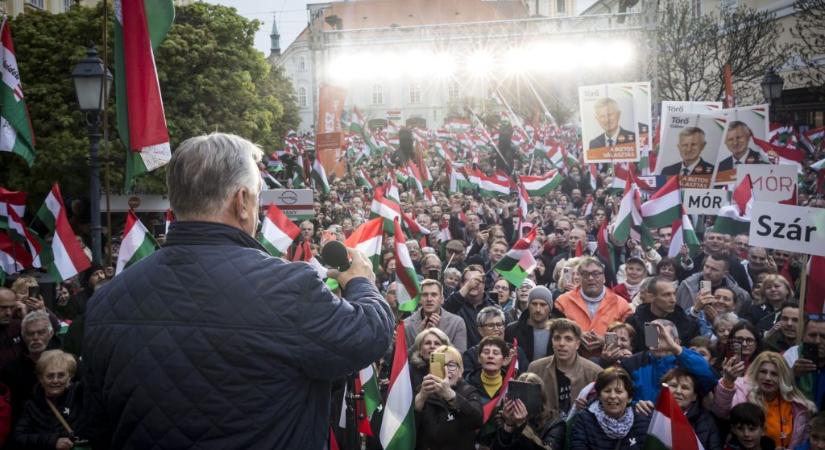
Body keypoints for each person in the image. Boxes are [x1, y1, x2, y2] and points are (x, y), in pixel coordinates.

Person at [82, 133, 395, 449]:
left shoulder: (107, 302)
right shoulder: (287, 287)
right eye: (259, 197)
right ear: (242, 201)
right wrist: (361, 282)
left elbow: (96, 429)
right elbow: (369, 335)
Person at [713, 351, 816, 450]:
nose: (768, 378)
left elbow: (802, 441)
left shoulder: (799, 406)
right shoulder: (742, 392)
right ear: (756, 373)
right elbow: (721, 412)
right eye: (763, 372)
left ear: (783, 377)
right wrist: (728, 382)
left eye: (774, 374)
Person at [622, 319, 716, 404]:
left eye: (662, 337)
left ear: (677, 342)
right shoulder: (632, 363)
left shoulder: (687, 361)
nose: (657, 342)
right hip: (643, 419)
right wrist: (635, 405)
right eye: (653, 336)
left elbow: (710, 378)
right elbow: (621, 396)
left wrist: (675, 348)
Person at [13, 350, 92, 449]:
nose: (55, 381)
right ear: (40, 378)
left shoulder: (80, 395)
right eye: (50, 376)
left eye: (61, 375)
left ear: (70, 377)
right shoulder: (32, 405)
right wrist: (52, 441)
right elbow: (19, 437)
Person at [527, 319, 602, 421]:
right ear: (552, 341)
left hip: (579, 430)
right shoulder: (535, 369)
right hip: (544, 431)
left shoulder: (595, 372)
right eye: (557, 338)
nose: (561, 343)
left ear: (577, 344)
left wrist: (588, 408)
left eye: (568, 339)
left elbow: (602, 411)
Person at [554, 257, 632, 355]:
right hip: (572, 360)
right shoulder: (562, 302)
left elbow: (630, 340)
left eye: (595, 274)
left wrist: (606, 341)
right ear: (580, 278)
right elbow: (554, 332)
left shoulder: (621, 305)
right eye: (585, 274)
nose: (590, 278)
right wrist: (576, 335)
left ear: (604, 278)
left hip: (609, 364)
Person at [414, 344, 483, 450]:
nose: (445, 370)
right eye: (440, 365)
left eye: (451, 365)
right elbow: (409, 426)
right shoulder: (422, 390)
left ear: (460, 372)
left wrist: (450, 394)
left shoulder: (469, 392)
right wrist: (422, 396)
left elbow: (477, 420)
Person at [568, 367, 650, 450]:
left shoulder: (641, 419)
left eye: (619, 391)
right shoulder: (584, 420)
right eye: (607, 391)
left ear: (629, 397)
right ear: (599, 396)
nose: (613, 396)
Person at [492, 373, 567, 450]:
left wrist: (522, 425)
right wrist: (509, 425)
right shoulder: (504, 418)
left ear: (540, 397)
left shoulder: (554, 423)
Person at [627, 277, 700, 353]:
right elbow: (651, 350)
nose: (673, 300)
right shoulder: (634, 322)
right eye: (666, 295)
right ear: (652, 297)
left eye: (674, 294)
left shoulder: (687, 323)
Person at [659, 368, 722, 450]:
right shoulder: (648, 413)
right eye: (673, 386)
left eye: (685, 388)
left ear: (694, 396)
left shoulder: (707, 422)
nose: (678, 391)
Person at [403, 280, 467, 352]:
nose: (429, 299)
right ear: (419, 300)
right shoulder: (406, 325)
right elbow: (403, 359)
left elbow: (460, 356)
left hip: (445, 363)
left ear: (442, 299)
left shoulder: (457, 323)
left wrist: (439, 334)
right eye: (425, 295)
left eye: (434, 295)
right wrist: (421, 336)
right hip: (416, 363)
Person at [463, 307, 528, 378]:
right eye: (491, 326)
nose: (496, 329)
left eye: (499, 324)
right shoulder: (471, 355)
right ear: (480, 330)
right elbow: (468, 380)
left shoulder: (516, 351)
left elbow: (524, 378)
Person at [444, 265, 498, 347]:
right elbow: (445, 311)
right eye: (469, 281)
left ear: (483, 285)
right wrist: (467, 287)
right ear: (462, 284)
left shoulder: (493, 308)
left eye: (478, 281)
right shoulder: (455, 303)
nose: (474, 284)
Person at [782, 317, 825, 410]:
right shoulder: (791, 356)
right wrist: (793, 375)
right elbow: (778, 391)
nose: (818, 341)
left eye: (823, 336)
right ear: (803, 336)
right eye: (812, 335)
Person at [504, 286, 555, 363]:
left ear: (550, 307)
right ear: (528, 305)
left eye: (543, 304)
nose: (538, 309)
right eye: (534, 304)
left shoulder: (558, 332)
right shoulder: (512, 331)